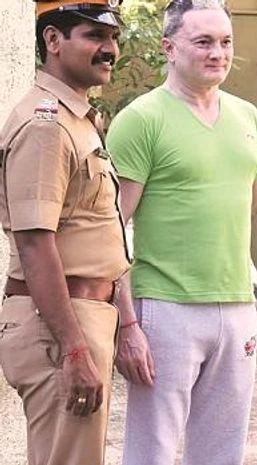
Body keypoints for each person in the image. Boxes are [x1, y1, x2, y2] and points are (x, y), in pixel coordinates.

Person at [104, 1, 257, 464]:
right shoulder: (141, 119)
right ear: (169, 48)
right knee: (154, 452)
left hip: (236, 307)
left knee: (222, 453)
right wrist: (127, 324)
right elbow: (110, 228)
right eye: (203, 42)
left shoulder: (246, 116)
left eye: (225, 42)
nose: (218, 53)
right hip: (164, 311)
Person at [0, 1, 129, 464]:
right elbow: (35, 245)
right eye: (94, 36)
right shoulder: (46, 126)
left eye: (112, 38)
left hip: (79, 317)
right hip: (59, 326)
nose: (109, 49)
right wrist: (74, 349)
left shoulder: (76, 119)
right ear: (53, 41)